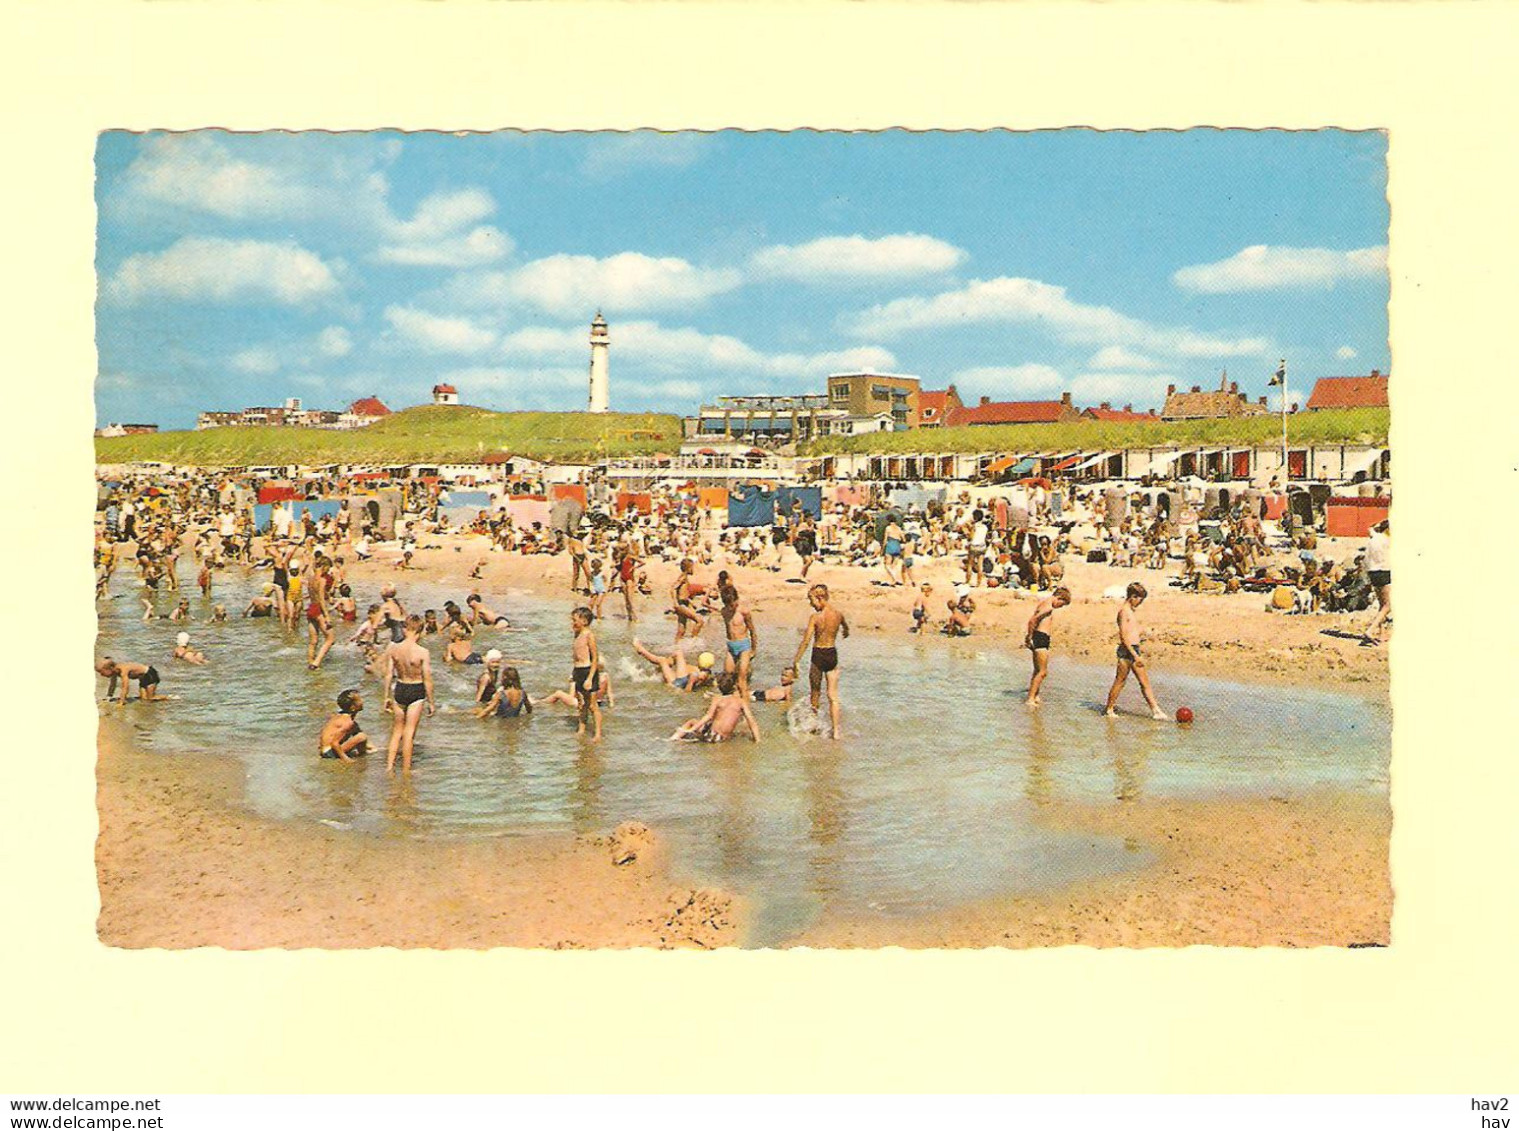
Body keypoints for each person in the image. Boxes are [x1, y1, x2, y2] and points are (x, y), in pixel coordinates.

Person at [792, 583, 849, 740]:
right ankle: (836, 732)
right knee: (833, 695)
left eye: (811, 600)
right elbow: (846, 628)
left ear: (820, 598)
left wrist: (796, 661)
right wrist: (844, 632)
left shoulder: (815, 618)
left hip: (818, 655)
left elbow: (806, 641)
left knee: (815, 694)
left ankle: (813, 728)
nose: (811, 604)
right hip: (832, 654)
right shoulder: (838, 614)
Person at [380, 614, 435, 775]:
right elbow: (428, 679)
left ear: (406, 629)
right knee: (409, 733)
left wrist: (386, 697)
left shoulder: (394, 649)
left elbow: (389, 674)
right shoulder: (423, 652)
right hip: (416, 690)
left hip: (400, 688)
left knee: (397, 731)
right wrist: (431, 702)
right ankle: (406, 770)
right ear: (420, 630)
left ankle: (389, 767)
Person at [1104, 582, 1166, 720]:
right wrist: (1135, 656)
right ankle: (1109, 709)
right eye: (1140, 600)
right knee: (1120, 681)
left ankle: (1156, 710)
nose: (1140, 603)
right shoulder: (1123, 612)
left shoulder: (1130, 611)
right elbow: (1123, 637)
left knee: (1144, 682)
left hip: (1134, 650)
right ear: (1133, 596)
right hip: (1127, 651)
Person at [670, 672, 761, 743]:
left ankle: (673, 739)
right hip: (724, 738)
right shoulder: (741, 702)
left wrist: (691, 729)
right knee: (740, 732)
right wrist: (758, 741)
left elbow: (708, 716)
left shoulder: (717, 699)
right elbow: (752, 722)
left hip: (712, 736)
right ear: (735, 686)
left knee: (692, 721)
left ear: (719, 687)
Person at [1024, 586, 1071, 706]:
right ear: (1059, 598)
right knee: (1043, 672)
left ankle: (1035, 695)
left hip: (1039, 637)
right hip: (1040, 638)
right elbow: (1032, 620)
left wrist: (1030, 636)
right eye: (1062, 604)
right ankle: (1030, 699)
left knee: (1037, 670)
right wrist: (1029, 637)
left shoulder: (1044, 603)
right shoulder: (1048, 607)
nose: (1060, 607)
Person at [631, 639, 714, 692]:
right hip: (683, 677)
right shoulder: (708, 674)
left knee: (662, 660)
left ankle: (641, 650)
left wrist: (690, 683)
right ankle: (668, 663)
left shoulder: (695, 675)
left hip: (675, 684)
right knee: (678, 653)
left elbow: (687, 693)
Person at [719, 583, 757, 698]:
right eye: (729, 605)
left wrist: (753, 649)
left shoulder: (743, 612)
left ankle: (745, 704)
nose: (731, 607)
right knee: (728, 677)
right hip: (731, 646)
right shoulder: (724, 612)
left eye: (733, 604)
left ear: (737, 599)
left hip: (744, 646)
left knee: (741, 680)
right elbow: (728, 630)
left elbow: (752, 631)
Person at [570, 606, 602, 740]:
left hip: (588, 670)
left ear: (584, 621)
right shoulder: (577, 634)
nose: (572, 623)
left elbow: (595, 658)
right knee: (581, 704)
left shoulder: (589, 635)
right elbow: (576, 656)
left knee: (592, 705)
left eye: (574, 620)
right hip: (578, 670)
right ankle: (581, 729)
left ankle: (598, 733)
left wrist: (589, 678)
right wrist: (573, 673)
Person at [1362, 518, 1392, 646]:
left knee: (1381, 604)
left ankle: (1381, 633)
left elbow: (1370, 527)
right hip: (1384, 570)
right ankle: (1370, 630)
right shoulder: (1388, 540)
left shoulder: (1374, 537)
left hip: (1372, 571)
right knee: (1388, 606)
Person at [318, 689, 370, 762]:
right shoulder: (347, 722)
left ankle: (365, 752)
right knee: (361, 737)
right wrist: (345, 759)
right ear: (353, 707)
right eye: (359, 700)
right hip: (329, 753)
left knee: (357, 730)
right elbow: (334, 743)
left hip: (326, 750)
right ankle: (362, 755)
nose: (362, 701)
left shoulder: (343, 717)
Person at [96, 657, 161, 703]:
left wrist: (122, 701)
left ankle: (169, 698)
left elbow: (125, 687)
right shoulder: (115, 672)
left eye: (102, 672)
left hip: (150, 674)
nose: (101, 675)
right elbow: (113, 685)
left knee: (151, 698)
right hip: (143, 678)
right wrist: (108, 697)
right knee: (144, 699)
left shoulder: (123, 669)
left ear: (111, 668)